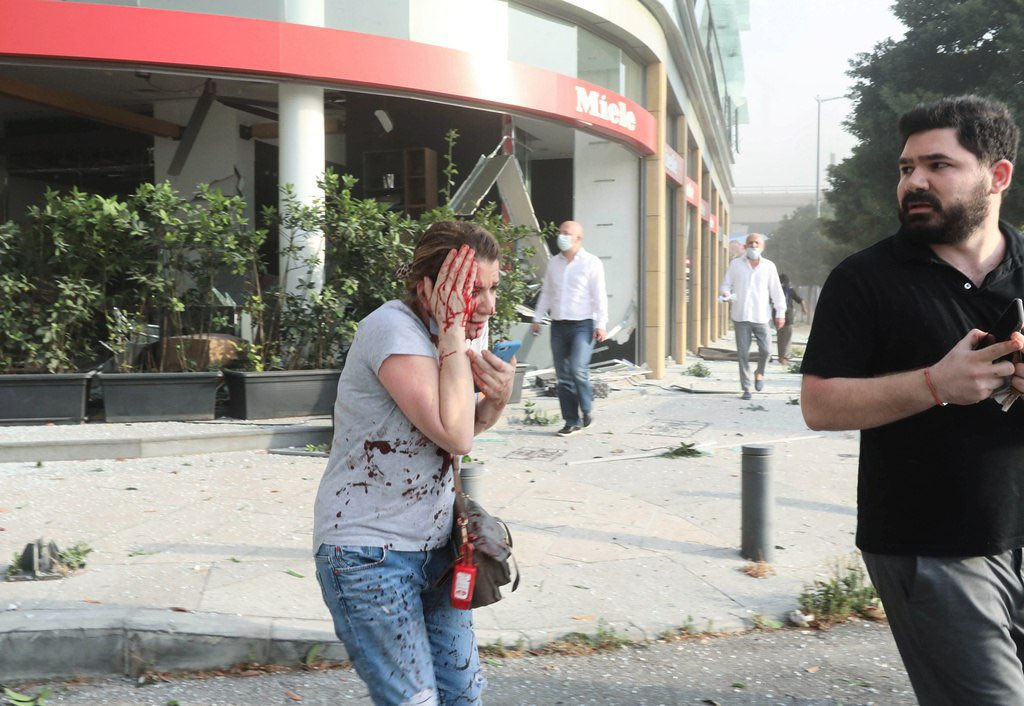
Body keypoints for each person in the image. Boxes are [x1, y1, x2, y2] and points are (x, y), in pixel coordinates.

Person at [800, 95, 1024, 705]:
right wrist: (935, 385)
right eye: (905, 168)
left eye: (938, 165)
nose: (915, 182)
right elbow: (819, 405)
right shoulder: (866, 278)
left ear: (996, 175)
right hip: (931, 542)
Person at [312, 221, 515, 706]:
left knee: (462, 696)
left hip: (436, 552)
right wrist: (451, 336)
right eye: (471, 290)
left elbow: (449, 436)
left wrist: (495, 402)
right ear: (428, 288)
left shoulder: (454, 335)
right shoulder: (393, 330)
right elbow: (455, 433)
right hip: (369, 556)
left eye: (492, 289)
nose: (486, 305)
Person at [530, 220, 608, 436]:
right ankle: (571, 421)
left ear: (578, 238)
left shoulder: (591, 263)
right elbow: (547, 293)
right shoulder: (554, 263)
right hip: (558, 325)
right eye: (560, 232)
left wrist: (601, 324)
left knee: (577, 368)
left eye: (567, 233)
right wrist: (537, 318)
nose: (561, 236)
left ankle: (587, 408)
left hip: (583, 325)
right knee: (563, 375)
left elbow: (599, 296)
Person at [720, 233, 786, 400]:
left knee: (766, 350)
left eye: (757, 243)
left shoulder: (769, 266)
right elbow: (726, 284)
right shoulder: (735, 264)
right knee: (743, 353)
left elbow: (776, 291)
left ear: (762, 246)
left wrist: (780, 313)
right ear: (745, 246)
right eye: (750, 243)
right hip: (740, 316)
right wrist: (726, 293)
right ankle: (747, 387)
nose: (753, 245)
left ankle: (759, 373)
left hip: (761, 316)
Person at [774, 273, 808, 366]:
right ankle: (784, 356)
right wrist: (804, 308)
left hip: (778, 314)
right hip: (788, 314)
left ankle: (782, 357)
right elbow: (800, 300)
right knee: (787, 336)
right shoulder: (789, 289)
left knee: (781, 336)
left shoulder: (776, 289)